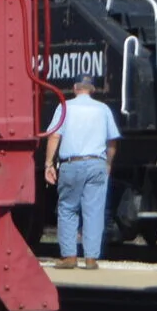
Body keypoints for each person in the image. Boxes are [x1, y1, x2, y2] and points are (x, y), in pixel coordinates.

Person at [43, 75, 121, 270]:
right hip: (97, 163)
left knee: (68, 208)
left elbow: (54, 136)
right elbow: (112, 141)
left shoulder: (64, 107)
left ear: (75, 88)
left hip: (72, 164)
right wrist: (108, 163)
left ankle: (69, 256)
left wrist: (48, 164)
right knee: (94, 211)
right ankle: (91, 258)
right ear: (92, 89)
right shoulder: (103, 109)